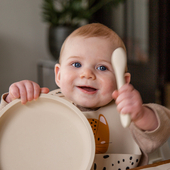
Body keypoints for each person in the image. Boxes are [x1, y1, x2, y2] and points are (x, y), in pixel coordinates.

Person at [0, 23, 170, 167]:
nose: (87, 74)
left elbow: (162, 127)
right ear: (58, 75)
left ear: (122, 81)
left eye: (102, 68)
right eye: (76, 64)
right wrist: (14, 100)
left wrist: (141, 115)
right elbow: (13, 131)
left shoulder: (126, 111)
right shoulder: (46, 106)